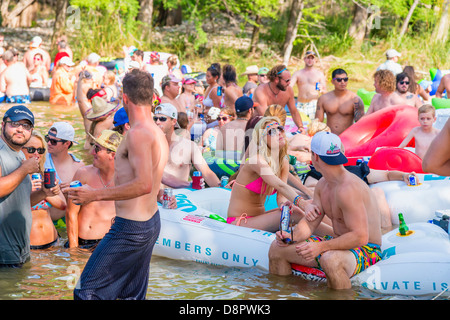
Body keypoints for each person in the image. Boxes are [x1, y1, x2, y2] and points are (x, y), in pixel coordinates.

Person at [68, 69, 168, 300]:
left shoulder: (138, 133)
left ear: (124, 98)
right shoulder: (156, 131)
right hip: (149, 223)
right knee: (129, 295)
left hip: (131, 228)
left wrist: (94, 195)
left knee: (85, 292)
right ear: (152, 97)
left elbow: (143, 184)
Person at [268, 131, 382, 290]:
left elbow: (361, 237)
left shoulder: (349, 189)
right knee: (276, 248)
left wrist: (321, 247)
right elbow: (310, 223)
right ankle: (285, 294)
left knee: (330, 260)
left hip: (368, 249)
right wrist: (290, 237)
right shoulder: (323, 185)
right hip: (339, 243)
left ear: (314, 157)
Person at [226, 116, 318, 232]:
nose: (278, 133)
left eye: (280, 128)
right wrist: (303, 204)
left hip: (258, 218)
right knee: (297, 212)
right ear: (262, 140)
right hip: (239, 222)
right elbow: (280, 186)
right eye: (272, 132)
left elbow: (281, 196)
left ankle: (341, 232)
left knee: (312, 205)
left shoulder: (283, 161)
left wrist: (284, 205)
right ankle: (335, 237)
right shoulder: (257, 161)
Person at [0, 105, 60, 267]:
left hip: (20, 248)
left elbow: (20, 200)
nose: (20, 129)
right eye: (14, 124)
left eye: (26, 126)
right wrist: (23, 170)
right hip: (3, 250)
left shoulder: (18, 154)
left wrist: (43, 192)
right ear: (3, 125)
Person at [66, 130, 123, 250]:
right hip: (79, 242)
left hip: (106, 245)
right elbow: (71, 212)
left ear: (112, 155)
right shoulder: (83, 173)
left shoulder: (124, 181)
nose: (92, 152)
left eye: (97, 149)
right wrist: (73, 249)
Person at [155, 103, 220, 188]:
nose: (157, 122)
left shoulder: (189, 146)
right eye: (155, 118)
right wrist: (189, 185)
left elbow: (207, 173)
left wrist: (222, 188)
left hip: (181, 198)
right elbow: (160, 175)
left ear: (174, 121)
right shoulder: (149, 145)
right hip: (156, 198)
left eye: (162, 119)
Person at [23, 131, 66, 250]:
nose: (36, 154)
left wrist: (47, 192)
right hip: (29, 247)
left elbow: (62, 205)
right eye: (31, 150)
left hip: (53, 243)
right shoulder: (13, 177)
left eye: (40, 150)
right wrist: (26, 190)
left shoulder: (45, 175)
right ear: (20, 150)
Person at [44, 122, 84, 223]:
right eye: (47, 139)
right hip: (44, 222)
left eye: (53, 141)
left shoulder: (79, 167)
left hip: (66, 222)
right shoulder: (40, 159)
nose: (48, 143)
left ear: (67, 144)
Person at [253, 65, 304, 131]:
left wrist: (300, 127)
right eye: (287, 81)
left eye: (290, 80)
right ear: (276, 79)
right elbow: (265, 117)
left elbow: (294, 112)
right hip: (260, 128)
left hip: (276, 128)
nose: (289, 83)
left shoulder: (289, 90)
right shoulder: (261, 91)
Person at [315, 69, 365, 135]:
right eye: (339, 80)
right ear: (332, 81)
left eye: (345, 79)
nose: (342, 82)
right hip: (330, 136)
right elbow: (317, 123)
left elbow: (361, 124)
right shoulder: (323, 99)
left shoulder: (355, 99)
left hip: (347, 137)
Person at [290, 50, 327, 121]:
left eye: (312, 58)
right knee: (299, 127)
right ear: (304, 59)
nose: (310, 60)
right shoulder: (297, 73)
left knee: (312, 128)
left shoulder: (319, 74)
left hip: (313, 104)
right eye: (308, 58)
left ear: (315, 60)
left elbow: (325, 92)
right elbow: (289, 88)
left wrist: (322, 90)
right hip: (300, 104)